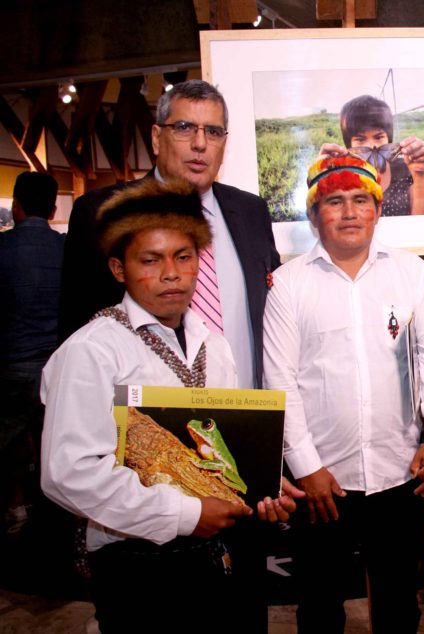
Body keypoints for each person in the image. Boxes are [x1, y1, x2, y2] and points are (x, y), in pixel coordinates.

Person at [40, 178, 300, 632]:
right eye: (150, 260)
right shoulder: (92, 351)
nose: (171, 274)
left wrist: (262, 484)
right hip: (136, 563)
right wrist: (185, 513)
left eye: (183, 257)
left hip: (217, 553)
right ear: (119, 269)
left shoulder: (213, 342)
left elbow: (219, 446)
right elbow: (68, 472)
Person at [262, 154, 424, 633]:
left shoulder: (409, 272)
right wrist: (306, 467)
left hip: (399, 469)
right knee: (320, 603)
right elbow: (280, 380)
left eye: (359, 200)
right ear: (313, 215)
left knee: (398, 601)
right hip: (323, 482)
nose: (349, 212)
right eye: (333, 201)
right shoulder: (288, 286)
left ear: (376, 208)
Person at [59, 79, 280, 391]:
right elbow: (77, 330)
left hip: (247, 416)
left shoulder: (252, 213)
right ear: (156, 138)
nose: (200, 144)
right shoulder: (102, 214)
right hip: (144, 425)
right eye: (184, 127)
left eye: (213, 131)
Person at [0, 172, 63, 532]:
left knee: (6, 446)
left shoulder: (3, 249)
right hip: (55, 368)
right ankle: (50, 522)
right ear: (54, 209)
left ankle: (13, 507)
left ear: (15, 206)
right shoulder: (65, 250)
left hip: (10, 366)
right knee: (51, 448)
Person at [315, 94, 424, 216]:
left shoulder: (406, 168)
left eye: (378, 137)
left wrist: (420, 174)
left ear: (389, 138)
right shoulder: (340, 174)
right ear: (349, 147)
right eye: (360, 139)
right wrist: (319, 182)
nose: (372, 145)